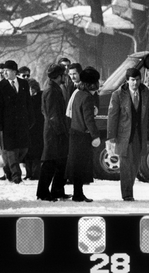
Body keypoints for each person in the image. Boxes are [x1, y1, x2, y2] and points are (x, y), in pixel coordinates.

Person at [106, 68, 149, 201]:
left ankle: (130, 189)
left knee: (135, 165)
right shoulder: (118, 94)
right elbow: (112, 116)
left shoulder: (145, 92)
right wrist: (111, 137)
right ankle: (127, 194)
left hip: (139, 134)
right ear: (127, 80)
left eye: (138, 80)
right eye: (133, 80)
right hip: (124, 135)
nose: (135, 83)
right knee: (126, 166)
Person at [66, 67, 102, 202]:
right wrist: (95, 135)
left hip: (75, 133)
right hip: (82, 135)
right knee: (80, 167)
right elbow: (89, 119)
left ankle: (78, 193)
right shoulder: (87, 98)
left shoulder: (78, 94)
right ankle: (78, 194)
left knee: (77, 166)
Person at [37, 63, 71, 201]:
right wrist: (61, 132)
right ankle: (43, 192)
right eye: (63, 74)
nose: (65, 76)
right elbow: (52, 115)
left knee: (60, 162)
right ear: (58, 76)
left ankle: (57, 190)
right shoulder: (51, 90)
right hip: (54, 133)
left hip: (56, 131)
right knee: (49, 163)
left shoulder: (54, 88)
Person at [0, 60, 30, 184]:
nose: (5, 73)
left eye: (7, 71)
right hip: (7, 124)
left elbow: (28, 103)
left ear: (15, 71)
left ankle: (8, 168)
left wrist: (31, 119)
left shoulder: (24, 84)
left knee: (23, 149)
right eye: (3, 71)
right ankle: (16, 176)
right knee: (11, 150)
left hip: (23, 123)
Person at [25, 78, 45, 180]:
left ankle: (35, 173)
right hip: (30, 128)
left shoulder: (39, 97)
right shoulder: (27, 99)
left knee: (36, 153)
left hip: (37, 128)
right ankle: (29, 173)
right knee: (28, 153)